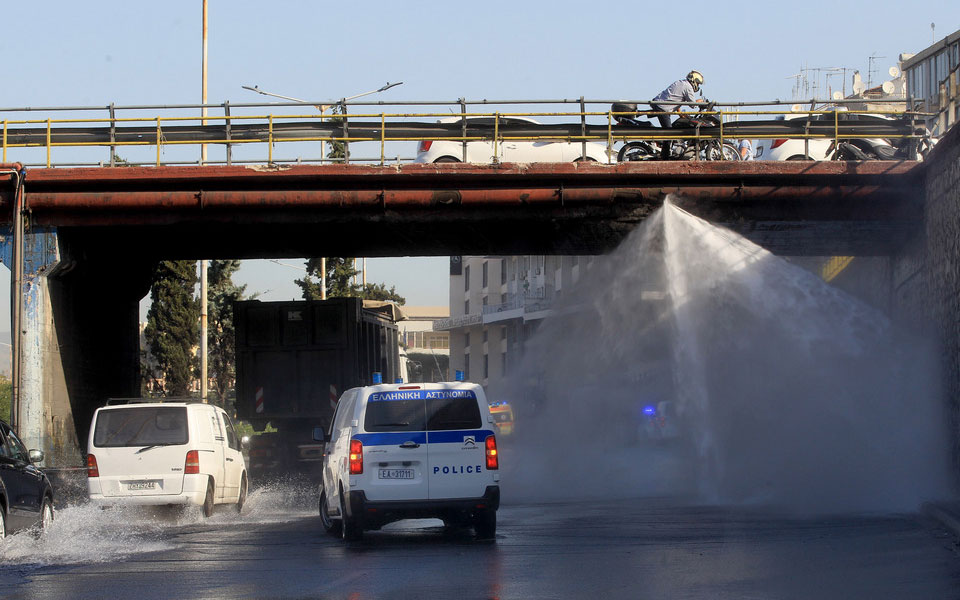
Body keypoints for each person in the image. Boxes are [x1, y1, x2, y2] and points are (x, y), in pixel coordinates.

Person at [651, 71, 704, 157]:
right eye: (698, 83)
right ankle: (664, 157)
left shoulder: (681, 82)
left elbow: (675, 98)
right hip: (663, 108)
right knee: (669, 134)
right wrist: (700, 102)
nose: (698, 86)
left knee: (672, 130)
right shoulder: (688, 87)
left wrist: (679, 112)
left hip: (660, 104)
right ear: (694, 81)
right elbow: (693, 105)